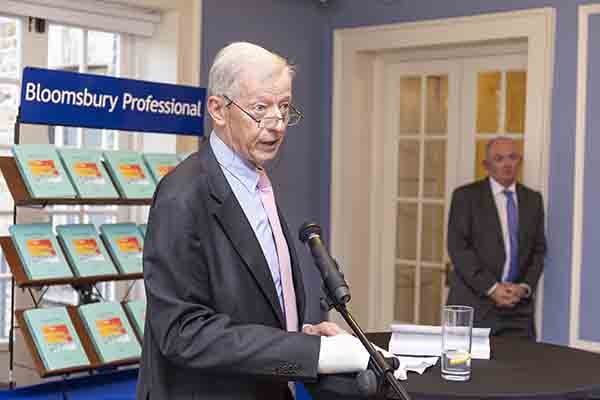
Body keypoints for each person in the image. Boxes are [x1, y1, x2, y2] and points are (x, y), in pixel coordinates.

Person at [136, 42, 370, 400]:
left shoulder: (256, 180)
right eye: (260, 108)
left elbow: (252, 305)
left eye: (284, 107)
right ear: (218, 110)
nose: (277, 125)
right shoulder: (181, 196)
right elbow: (183, 332)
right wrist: (312, 354)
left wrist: (298, 338)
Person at [446, 137, 546, 339]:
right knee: (468, 360)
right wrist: (492, 288)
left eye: (512, 157)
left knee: (522, 360)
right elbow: (458, 248)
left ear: (520, 161)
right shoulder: (466, 197)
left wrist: (523, 288)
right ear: (486, 165)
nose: (507, 164)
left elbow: (538, 251)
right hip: (474, 304)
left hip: (518, 310)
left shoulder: (533, 199)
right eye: (499, 159)